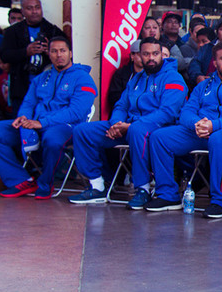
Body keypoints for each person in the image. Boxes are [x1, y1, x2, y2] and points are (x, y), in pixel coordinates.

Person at [144, 42, 222, 217]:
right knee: (159, 137)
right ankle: (168, 195)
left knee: (218, 138)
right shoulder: (204, 86)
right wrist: (197, 124)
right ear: (214, 62)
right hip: (200, 130)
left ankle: (220, 201)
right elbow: (186, 112)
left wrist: (214, 126)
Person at [68, 38, 187, 208]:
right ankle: (97, 186)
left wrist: (130, 126)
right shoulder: (136, 79)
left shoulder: (173, 78)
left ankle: (143, 189)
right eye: (146, 54)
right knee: (82, 131)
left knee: (137, 130)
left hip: (156, 129)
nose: (151, 58)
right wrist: (116, 123)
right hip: (127, 127)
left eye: (155, 53)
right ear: (138, 56)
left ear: (162, 55)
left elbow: (168, 113)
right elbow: (121, 105)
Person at [0, 36, 96, 198]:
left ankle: (45, 183)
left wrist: (42, 123)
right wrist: (23, 117)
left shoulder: (83, 78)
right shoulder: (42, 78)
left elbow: (76, 112)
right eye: (54, 51)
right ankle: (20, 180)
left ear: (70, 53)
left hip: (64, 126)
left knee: (53, 141)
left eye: (62, 51)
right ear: (49, 54)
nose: (58, 55)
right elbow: (28, 103)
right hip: (34, 125)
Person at [0, 0, 64, 113]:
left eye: (37, 7)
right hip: (21, 89)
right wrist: (25, 52)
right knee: (21, 124)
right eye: (29, 8)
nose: (34, 11)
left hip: (49, 90)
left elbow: (68, 56)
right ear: (22, 11)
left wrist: (51, 52)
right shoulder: (12, 32)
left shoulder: (53, 31)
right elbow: (4, 55)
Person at [105, 39, 143, 116]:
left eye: (146, 54)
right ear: (132, 56)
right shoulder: (121, 74)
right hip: (123, 113)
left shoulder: (152, 74)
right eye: (140, 54)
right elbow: (113, 98)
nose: (143, 58)